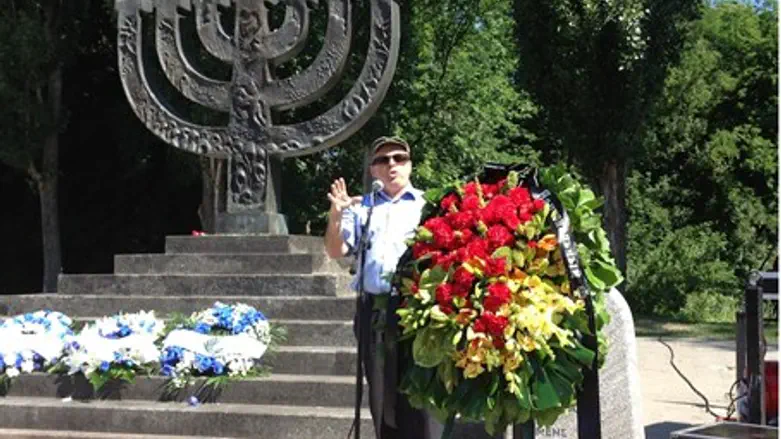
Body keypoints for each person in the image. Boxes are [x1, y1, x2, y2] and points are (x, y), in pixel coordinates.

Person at [324, 136, 439, 439]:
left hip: (416, 313)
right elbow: (337, 251)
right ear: (373, 170)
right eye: (382, 160)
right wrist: (336, 215)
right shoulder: (362, 208)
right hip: (373, 312)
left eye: (399, 158)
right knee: (381, 395)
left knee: (419, 399)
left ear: (410, 165)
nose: (391, 165)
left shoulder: (427, 206)